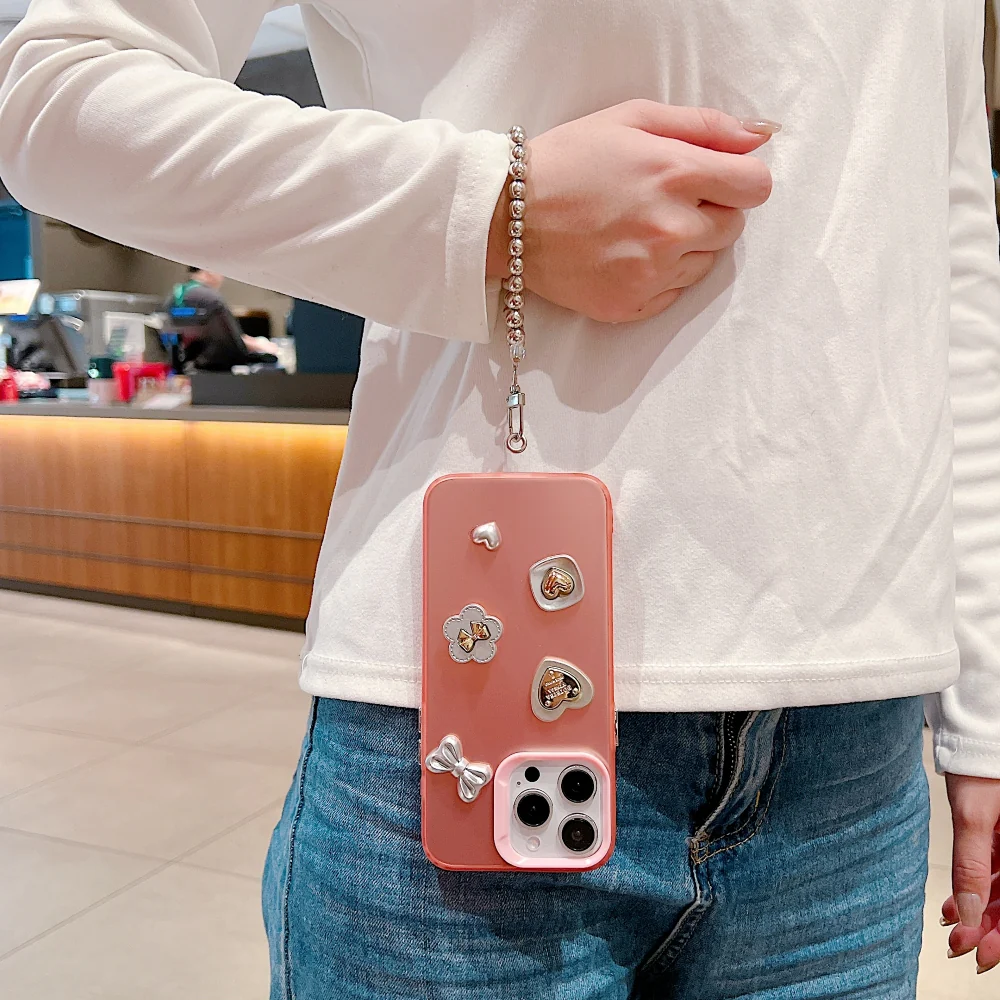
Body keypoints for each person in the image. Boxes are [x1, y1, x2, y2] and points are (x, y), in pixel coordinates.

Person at [0, 2, 998, 997]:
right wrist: (490, 206)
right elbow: (57, 93)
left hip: (856, 747)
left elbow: (947, 262)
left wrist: (985, 711)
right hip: (470, 718)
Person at [167, 265, 275, 371]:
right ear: (209, 271)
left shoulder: (173, 297)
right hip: (216, 370)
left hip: (184, 368)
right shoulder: (211, 298)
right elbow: (233, 342)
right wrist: (261, 346)